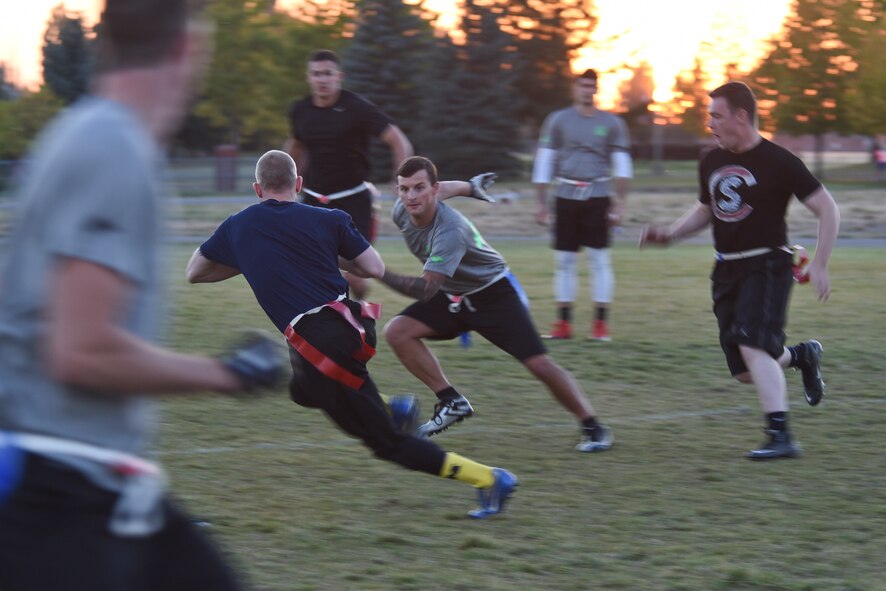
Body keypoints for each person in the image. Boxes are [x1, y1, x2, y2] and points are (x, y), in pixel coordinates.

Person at [0, 2, 285, 590]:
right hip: (61, 490)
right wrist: (226, 374)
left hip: (105, 483)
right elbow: (81, 351)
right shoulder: (113, 147)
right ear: (186, 48)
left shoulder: (84, 132)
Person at [186, 150, 517, 519]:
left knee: (387, 445)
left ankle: (490, 479)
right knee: (302, 390)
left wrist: (251, 259)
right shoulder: (330, 218)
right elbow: (372, 267)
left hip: (320, 343)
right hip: (352, 326)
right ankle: (394, 407)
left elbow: (195, 272)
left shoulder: (238, 225)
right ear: (298, 185)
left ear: (257, 189)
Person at [640, 81, 840, 460]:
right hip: (726, 269)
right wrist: (669, 235)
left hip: (766, 265)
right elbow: (705, 209)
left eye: (716, 115)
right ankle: (800, 356)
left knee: (752, 345)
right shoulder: (710, 159)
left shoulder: (780, 161)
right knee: (747, 368)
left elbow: (828, 209)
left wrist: (821, 262)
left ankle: (781, 436)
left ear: (741, 116)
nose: (710, 123)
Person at [379, 156, 614, 453]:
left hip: (493, 294)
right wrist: (469, 187)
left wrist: (377, 271)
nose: (411, 196)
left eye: (419, 188)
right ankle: (451, 400)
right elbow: (442, 190)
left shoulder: (450, 230)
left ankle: (594, 426)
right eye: (404, 189)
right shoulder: (402, 210)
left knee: (539, 364)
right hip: (453, 293)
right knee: (398, 331)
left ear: (433, 189)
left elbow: (426, 289)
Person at [285, 49, 414, 300]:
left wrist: (401, 182)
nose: (322, 80)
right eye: (316, 74)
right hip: (313, 200)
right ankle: (330, 322)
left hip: (353, 202)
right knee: (311, 269)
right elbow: (296, 147)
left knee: (358, 279)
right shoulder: (300, 110)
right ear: (308, 78)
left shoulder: (356, 108)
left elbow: (399, 142)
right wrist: (286, 186)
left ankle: (357, 311)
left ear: (339, 76)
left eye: (327, 74)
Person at [532, 68, 633, 341]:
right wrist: (541, 202)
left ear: (596, 89)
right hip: (565, 196)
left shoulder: (611, 123)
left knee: (599, 260)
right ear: (575, 88)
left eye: (591, 86)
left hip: (598, 197)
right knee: (564, 261)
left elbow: (622, 166)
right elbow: (545, 162)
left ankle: (600, 325)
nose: (587, 90)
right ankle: (563, 324)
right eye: (582, 85)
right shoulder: (558, 121)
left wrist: (620, 204)